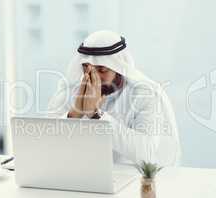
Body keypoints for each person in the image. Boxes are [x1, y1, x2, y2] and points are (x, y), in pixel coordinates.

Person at [48, 30, 181, 166]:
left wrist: (96, 116)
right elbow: (46, 146)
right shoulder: (70, 91)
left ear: (119, 68)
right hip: (77, 175)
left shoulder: (145, 94)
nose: (92, 76)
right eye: (86, 68)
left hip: (131, 179)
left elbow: (147, 152)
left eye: (101, 70)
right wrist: (73, 115)